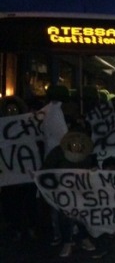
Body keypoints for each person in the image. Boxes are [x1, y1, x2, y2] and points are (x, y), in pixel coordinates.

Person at [42, 128, 98, 257]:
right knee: (65, 216)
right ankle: (67, 243)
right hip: (63, 192)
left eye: (79, 145)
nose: (76, 147)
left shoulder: (87, 155)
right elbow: (46, 168)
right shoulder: (58, 153)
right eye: (74, 145)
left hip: (81, 192)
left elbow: (92, 169)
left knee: (81, 215)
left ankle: (84, 239)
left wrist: (94, 170)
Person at [0, 96, 39, 242]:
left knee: (29, 202)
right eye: (9, 109)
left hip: (26, 172)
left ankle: (31, 227)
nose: (11, 112)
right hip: (9, 174)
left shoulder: (28, 125)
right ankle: (14, 228)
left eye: (14, 109)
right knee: (11, 202)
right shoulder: (2, 127)